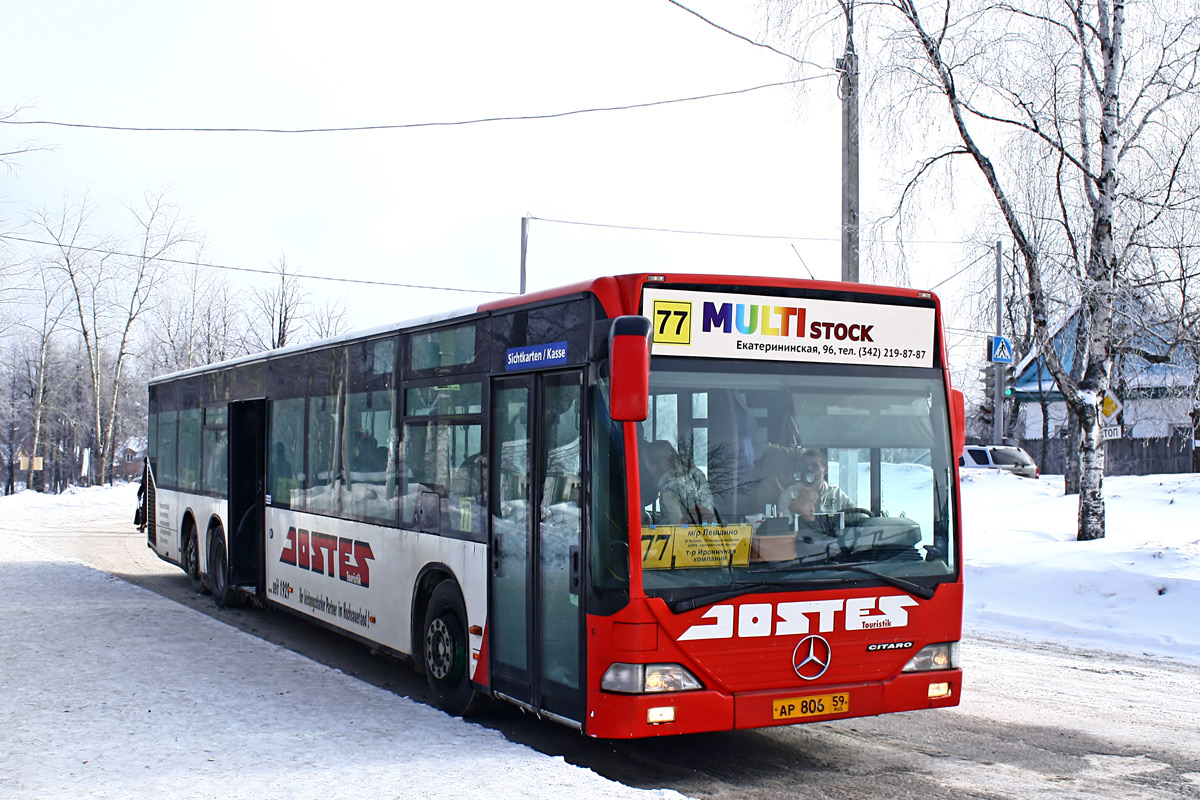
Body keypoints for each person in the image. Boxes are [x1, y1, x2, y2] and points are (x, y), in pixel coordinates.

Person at [641, 439, 718, 525]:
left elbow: (677, 525)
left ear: (653, 467)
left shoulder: (668, 488)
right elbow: (708, 509)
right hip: (709, 532)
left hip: (690, 536)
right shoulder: (697, 474)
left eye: (645, 462)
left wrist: (658, 527)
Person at [778, 448, 855, 517]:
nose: (809, 468)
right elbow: (786, 526)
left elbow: (858, 516)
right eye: (805, 465)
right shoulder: (789, 495)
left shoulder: (837, 495)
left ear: (825, 471)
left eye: (815, 465)